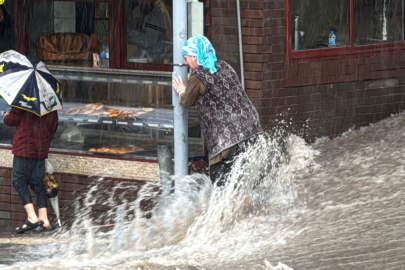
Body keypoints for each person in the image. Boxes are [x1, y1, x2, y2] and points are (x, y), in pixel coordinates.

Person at [172, 35, 263, 187]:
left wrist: (182, 90)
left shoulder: (198, 77)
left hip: (226, 139)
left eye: (186, 58)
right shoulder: (224, 66)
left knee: (221, 184)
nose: (186, 63)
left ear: (195, 56)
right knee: (247, 179)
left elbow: (186, 101)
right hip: (250, 128)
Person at [3, 108, 58, 233]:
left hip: (24, 147)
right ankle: (44, 219)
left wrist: (6, 115)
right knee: (38, 182)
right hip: (41, 148)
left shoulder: (24, 100)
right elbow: (54, 126)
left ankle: (32, 217)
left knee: (18, 181)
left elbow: (12, 120)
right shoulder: (49, 103)